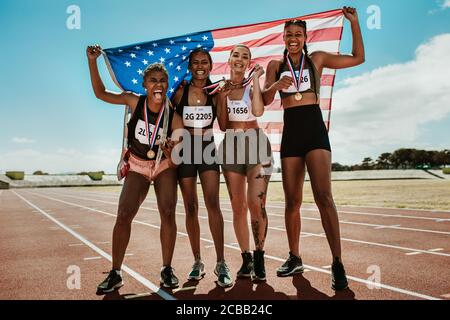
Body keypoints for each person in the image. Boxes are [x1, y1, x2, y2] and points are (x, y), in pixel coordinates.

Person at [262, 7, 365, 290]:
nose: (293, 38)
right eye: (289, 35)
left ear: (306, 37)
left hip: (314, 130)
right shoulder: (275, 65)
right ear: (283, 37)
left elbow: (358, 58)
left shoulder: (316, 59)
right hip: (291, 133)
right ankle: (295, 256)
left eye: (298, 34)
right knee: (292, 200)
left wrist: (354, 23)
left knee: (324, 197)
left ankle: (337, 262)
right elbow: (264, 98)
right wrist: (274, 84)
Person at [86, 44, 184, 293]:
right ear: (144, 84)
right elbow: (100, 94)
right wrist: (92, 61)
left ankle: (167, 268)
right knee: (124, 214)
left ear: (168, 84)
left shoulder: (172, 114)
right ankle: (116, 272)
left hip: (162, 165)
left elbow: (181, 153)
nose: (158, 84)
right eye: (153, 80)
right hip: (138, 164)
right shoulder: (133, 101)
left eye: (163, 80)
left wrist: (174, 149)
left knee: (168, 211)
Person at [171, 48, 232, 288]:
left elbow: (225, 125)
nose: (199, 65)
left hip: (207, 148)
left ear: (210, 65)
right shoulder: (180, 92)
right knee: (190, 207)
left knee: (213, 204)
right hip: (185, 150)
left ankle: (221, 262)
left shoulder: (216, 91)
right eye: (195, 62)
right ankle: (197, 261)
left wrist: (224, 97)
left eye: (204, 62)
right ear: (189, 66)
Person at [216, 44, 272, 282]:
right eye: (236, 55)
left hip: (257, 144)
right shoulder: (220, 87)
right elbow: (222, 124)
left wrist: (257, 79)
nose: (240, 59)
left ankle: (259, 255)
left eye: (245, 56)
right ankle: (246, 258)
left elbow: (258, 111)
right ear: (229, 60)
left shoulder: (252, 83)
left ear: (249, 62)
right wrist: (222, 96)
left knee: (256, 204)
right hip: (230, 148)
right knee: (238, 206)